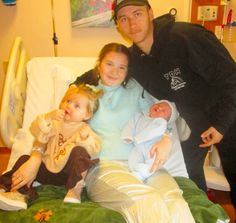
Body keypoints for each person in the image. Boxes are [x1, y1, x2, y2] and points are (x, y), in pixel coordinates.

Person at [112, 0, 236, 204]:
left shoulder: (187, 37)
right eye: (124, 18)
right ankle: (202, 213)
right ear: (118, 25)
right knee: (185, 174)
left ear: (150, 14)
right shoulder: (134, 59)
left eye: (137, 14)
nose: (132, 24)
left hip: (229, 113)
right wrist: (75, 85)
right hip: (195, 124)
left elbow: (231, 79)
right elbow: (105, 70)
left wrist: (221, 125)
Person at [73, 42, 195, 223]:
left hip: (145, 164)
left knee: (175, 203)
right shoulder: (85, 94)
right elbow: (61, 124)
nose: (115, 72)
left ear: (127, 71)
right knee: (148, 201)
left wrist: (166, 138)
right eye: (109, 64)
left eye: (122, 67)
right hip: (104, 167)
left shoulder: (135, 90)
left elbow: (156, 118)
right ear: (99, 64)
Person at [0, 84, 103, 211]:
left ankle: (74, 190)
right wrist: (48, 116)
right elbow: (36, 131)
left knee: (80, 152)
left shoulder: (84, 129)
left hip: (67, 175)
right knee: (24, 159)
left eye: (76, 105)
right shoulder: (55, 123)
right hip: (45, 170)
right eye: (68, 101)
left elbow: (94, 150)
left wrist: (86, 139)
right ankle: (20, 192)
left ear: (87, 115)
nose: (69, 106)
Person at [121, 101, 174, 180]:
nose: (159, 108)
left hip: (153, 146)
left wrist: (140, 138)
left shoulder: (162, 122)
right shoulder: (139, 116)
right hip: (138, 146)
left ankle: (141, 174)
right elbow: (131, 124)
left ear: (167, 119)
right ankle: (133, 171)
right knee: (133, 158)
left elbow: (167, 134)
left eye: (163, 110)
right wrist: (127, 135)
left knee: (154, 161)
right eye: (158, 105)